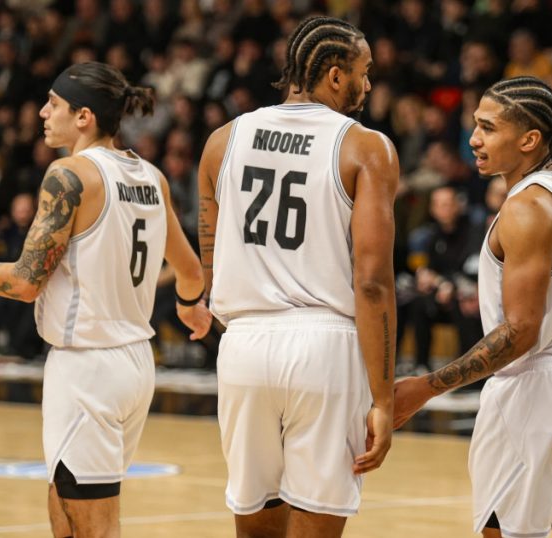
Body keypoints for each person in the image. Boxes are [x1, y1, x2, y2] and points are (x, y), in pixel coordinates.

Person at [0, 61, 211, 537]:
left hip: (87, 367)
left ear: (84, 116)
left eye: (53, 104)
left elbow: (25, 282)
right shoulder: (150, 176)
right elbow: (191, 271)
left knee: (94, 526)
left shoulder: (69, 175)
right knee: (64, 508)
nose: (41, 112)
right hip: (134, 364)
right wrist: (190, 307)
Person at [196, 15, 399, 538]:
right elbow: (372, 283)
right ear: (335, 75)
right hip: (323, 347)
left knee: (254, 525)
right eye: (363, 72)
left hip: (243, 345)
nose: (368, 85)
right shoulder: (365, 147)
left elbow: (210, 253)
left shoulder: (222, 140)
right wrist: (383, 398)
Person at [393, 76, 552, 538]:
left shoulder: (527, 207)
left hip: (530, 392)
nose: (473, 139)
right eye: (475, 125)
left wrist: (427, 386)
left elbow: (520, 331)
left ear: (529, 139)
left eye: (488, 128)